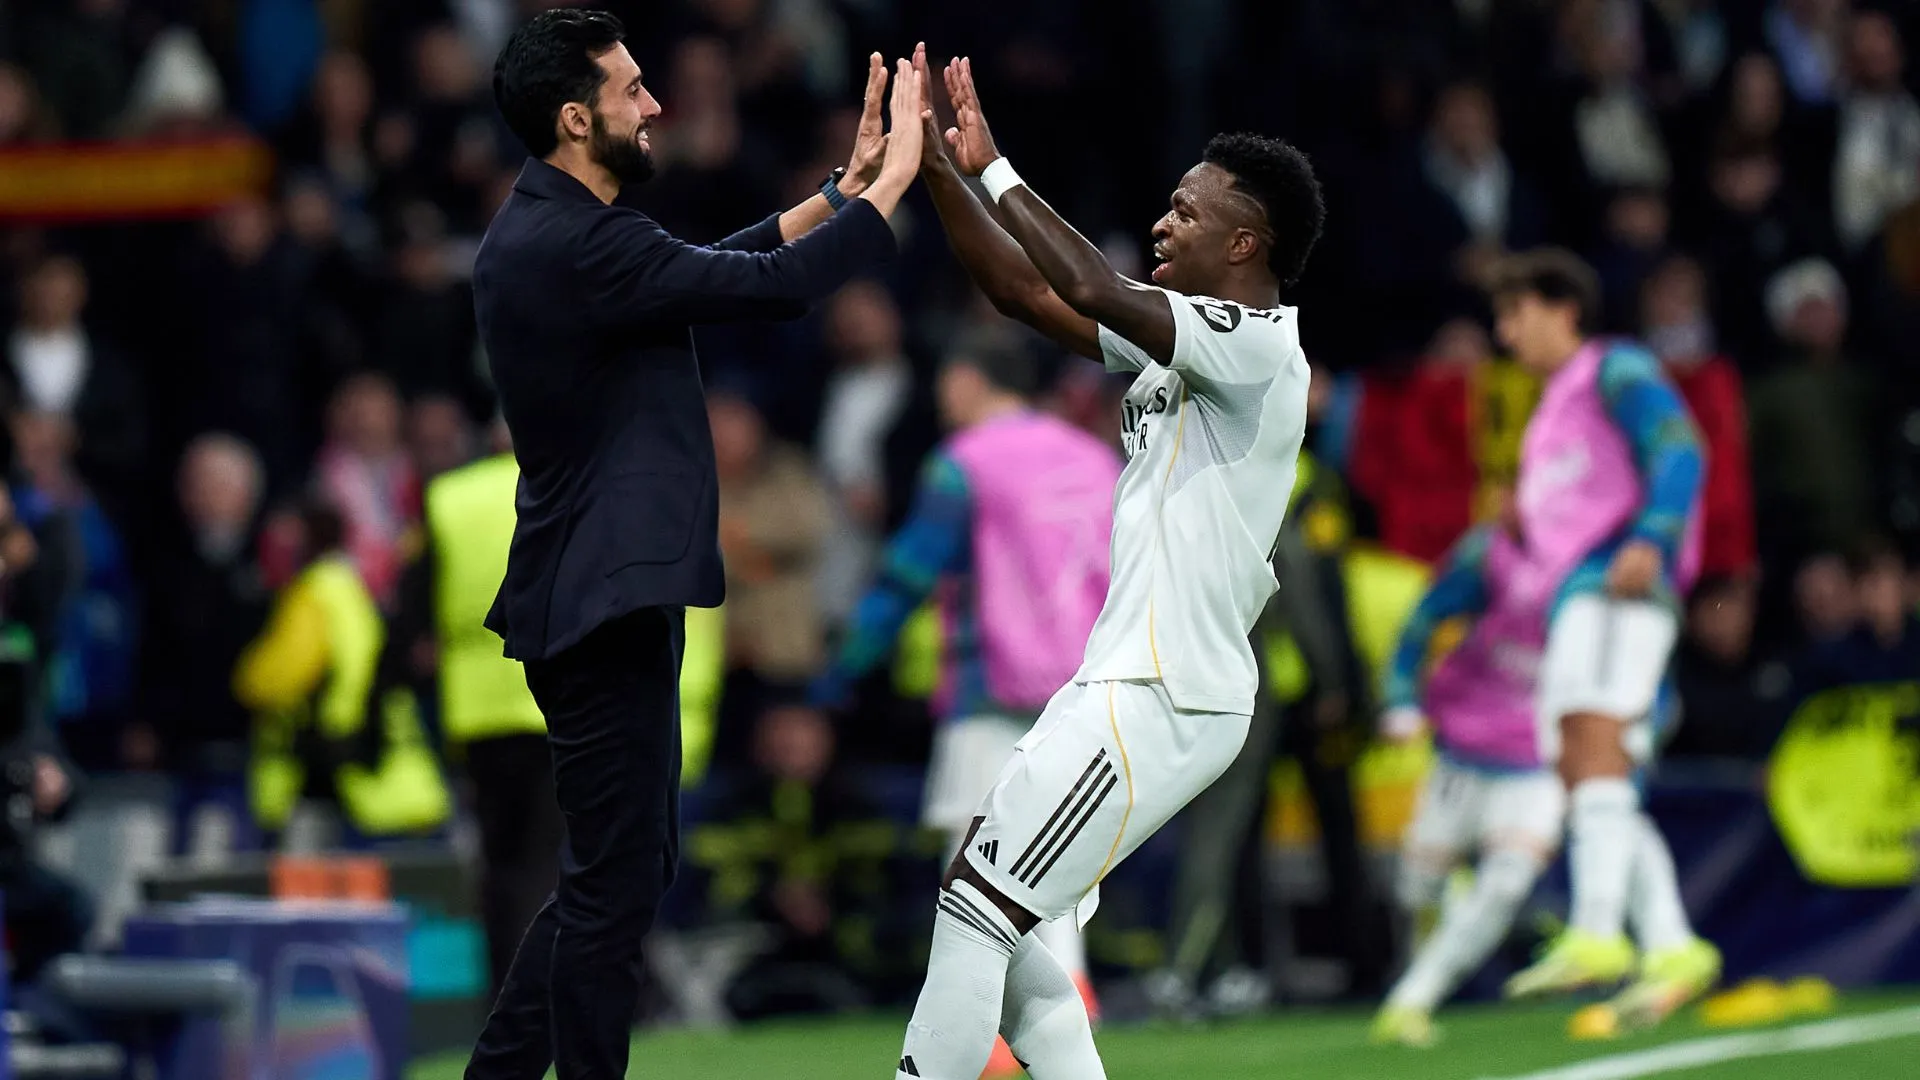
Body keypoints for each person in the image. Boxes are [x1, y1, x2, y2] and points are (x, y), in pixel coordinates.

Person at [464, 10, 924, 1079]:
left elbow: (708, 268)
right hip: (602, 599)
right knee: (613, 886)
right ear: (575, 119)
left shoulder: (561, 232)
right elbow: (767, 289)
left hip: (595, 593)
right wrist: (896, 182)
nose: (655, 104)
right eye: (631, 89)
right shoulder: (580, 243)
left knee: (617, 874)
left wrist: (839, 193)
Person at [894, 46, 1323, 1079]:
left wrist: (993, 166)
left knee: (979, 904)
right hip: (1123, 678)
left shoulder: (1258, 345)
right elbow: (1023, 294)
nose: (1164, 223)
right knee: (1002, 915)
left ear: (1245, 242)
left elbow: (1084, 280)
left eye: (1186, 211)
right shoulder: (1187, 347)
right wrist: (939, 171)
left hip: (1165, 689)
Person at [810, 329, 1120, 1076]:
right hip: (1089, 685)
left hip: (990, 685)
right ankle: (1066, 994)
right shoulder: (1094, 459)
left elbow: (906, 575)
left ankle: (993, 1037)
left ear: (970, 380)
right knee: (1055, 853)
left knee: (975, 866)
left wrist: (839, 672)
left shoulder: (964, 464)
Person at [1489, 249, 1720, 1033]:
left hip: (1619, 583)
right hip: (1580, 596)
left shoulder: (1612, 368)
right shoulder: (1551, 411)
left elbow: (1681, 447)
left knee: (1593, 740)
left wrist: (1655, 534)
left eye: (1515, 312)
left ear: (1564, 309)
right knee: (1588, 763)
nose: (1505, 333)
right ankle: (1672, 945)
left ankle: (1596, 931)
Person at [1369, 519, 1568, 1047]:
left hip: (1540, 758)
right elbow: (1423, 620)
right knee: (1418, 889)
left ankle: (1413, 999)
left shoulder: (1608, 563)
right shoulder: (1489, 553)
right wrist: (1400, 699)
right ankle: (1419, 977)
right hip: (1465, 746)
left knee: (1507, 883)